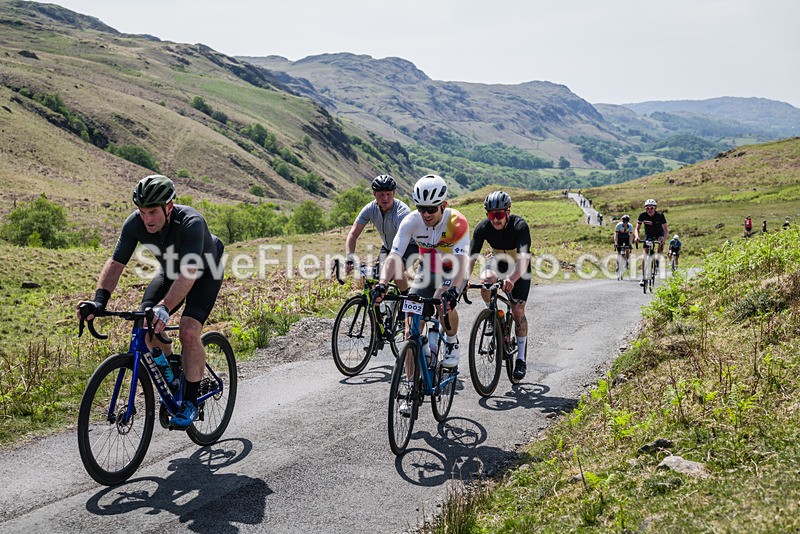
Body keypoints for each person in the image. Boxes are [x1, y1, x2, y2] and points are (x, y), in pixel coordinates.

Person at [77, 175, 224, 429]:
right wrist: (99, 302)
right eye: (142, 212)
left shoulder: (191, 222)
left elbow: (189, 273)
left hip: (204, 273)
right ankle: (174, 374)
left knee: (189, 331)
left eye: (153, 212)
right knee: (146, 324)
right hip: (171, 272)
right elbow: (116, 263)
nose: (147, 219)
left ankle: (190, 401)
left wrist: (165, 307)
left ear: (169, 207)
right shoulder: (135, 223)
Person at [372, 174, 469, 371]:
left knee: (442, 301)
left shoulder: (456, 222)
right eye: (421, 208)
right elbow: (394, 255)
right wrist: (382, 284)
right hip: (427, 270)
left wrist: (454, 289)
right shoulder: (411, 221)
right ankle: (410, 387)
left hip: (453, 271)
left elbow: (461, 262)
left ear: (443, 205)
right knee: (410, 332)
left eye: (431, 209)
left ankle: (452, 341)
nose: (426, 214)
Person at [467, 191, 532, 380]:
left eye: (499, 214)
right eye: (491, 215)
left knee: (518, 310)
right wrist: (464, 279)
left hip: (519, 267)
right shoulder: (483, 227)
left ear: (508, 212)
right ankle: (492, 315)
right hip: (498, 261)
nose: (495, 219)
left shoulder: (520, 226)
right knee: (486, 282)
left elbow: (524, 259)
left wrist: (512, 279)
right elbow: (471, 256)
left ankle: (520, 359)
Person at [344, 174, 417, 290]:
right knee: (376, 279)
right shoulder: (370, 209)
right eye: (381, 194)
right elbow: (353, 234)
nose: (385, 198)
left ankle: (405, 296)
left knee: (394, 271)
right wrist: (349, 257)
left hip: (409, 246)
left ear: (394, 193)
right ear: (374, 194)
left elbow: (401, 240)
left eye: (388, 194)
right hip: (388, 247)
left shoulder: (402, 212)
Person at [634, 198, 668, 286]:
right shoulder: (642, 215)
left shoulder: (660, 215)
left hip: (659, 233)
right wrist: (637, 236)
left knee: (660, 243)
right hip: (648, 234)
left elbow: (665, 230)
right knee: (645, 254)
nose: (649, 210)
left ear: (655, 208)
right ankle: (643, 277)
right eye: (647, 208)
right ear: (645, 209)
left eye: (652, 208)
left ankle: (657, 260)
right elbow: (637, 228)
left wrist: (664, 240)